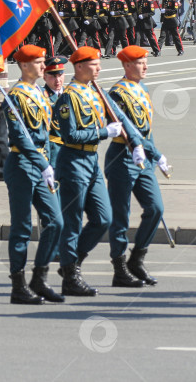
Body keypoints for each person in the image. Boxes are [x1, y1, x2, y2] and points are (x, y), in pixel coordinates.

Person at [53, 46, 144, 296]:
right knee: (72, 222)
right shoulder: (68, 97)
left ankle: (72, 263)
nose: (99, 68)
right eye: (94, 65)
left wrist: (136, 144)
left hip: (91, 160)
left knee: (103, 218)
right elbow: (70, 134)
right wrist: (106, 132)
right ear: (79, 66)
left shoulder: (96, 91)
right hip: (73, 160)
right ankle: (70, 276)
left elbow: (120, 118)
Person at [2, 45, 64, 305]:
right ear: (25, 66)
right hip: (22, 164)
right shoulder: (16, 95)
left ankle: (39, 277)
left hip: (41, 164)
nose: (43, 65)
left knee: (55, 221)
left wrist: (48, 162)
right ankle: (18, 285)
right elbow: (19, 137)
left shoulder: (38, 92)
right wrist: (42, 163)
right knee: (22, 227)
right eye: (39, 62)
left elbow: (46, 132)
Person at [105, 46, 169, 288]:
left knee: (155, 208)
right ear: (127, 65)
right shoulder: (117, 94)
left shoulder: (143, 89)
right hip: (122, 157)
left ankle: (137, 258)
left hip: (144, 159)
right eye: (141, 62)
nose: (146, 66)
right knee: (121, 216)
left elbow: (146, 129)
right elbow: (130, 131)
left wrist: (154, 157)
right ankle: (119, 268)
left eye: (145, 62)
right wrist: (157, 153)